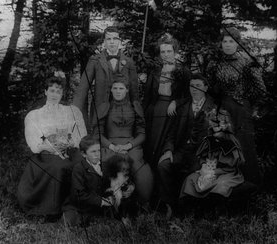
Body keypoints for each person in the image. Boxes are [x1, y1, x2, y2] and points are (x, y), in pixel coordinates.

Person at [17, 76, 87, 218]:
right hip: (46, 154)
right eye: (52, 90)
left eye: (58, 91)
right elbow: (34, 141)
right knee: (58, 167)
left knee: (82, 163)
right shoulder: (35, 115)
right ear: (45, 92)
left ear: (62, 94)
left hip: (68, 150)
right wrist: (51, 148)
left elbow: (80, 135)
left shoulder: (71, 111)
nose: (55, 94)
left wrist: (69, 144)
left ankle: (77, 204)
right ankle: (51, 209)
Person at [207, 27, 266, 185]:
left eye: (231, 41)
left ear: (237, 43)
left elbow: (260, 88)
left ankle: (250, 185)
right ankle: (226, 188)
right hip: (222, 108)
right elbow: (211, 86)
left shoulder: (246, 62)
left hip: (241, 108)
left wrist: (251, 105)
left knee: (243, 145)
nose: (227, 44)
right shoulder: (216, 62)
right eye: (224, 41)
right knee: (224, 146)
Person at [157, 73, 218, 217]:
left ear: (206, 87)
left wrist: (208, 161)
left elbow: (217, 138)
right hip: (182, 150)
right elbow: (171, 133)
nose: (194, 89)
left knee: (194, 173)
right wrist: (168, 150)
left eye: (198, 86)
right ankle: (170, 205)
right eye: (192, 86)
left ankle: (189, 211)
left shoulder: (213, 107)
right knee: (163, 165)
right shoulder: (183, 105)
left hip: (201, 153)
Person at [96, 75, 154, 210]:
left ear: (127, 90)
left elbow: (142, 134)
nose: (117, 91)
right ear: (110, 90)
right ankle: (108, 204)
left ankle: (142, 205)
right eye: (114, 88)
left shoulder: (135, 107)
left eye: (121, 88)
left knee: (142, 170)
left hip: (131, 145)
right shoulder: (105, 107)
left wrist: (129, 146)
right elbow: (98, 133)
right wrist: (112, 147)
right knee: (108, 165)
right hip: (110, 145)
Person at [73, 26, 139, 131]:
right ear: (104, 42)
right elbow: (83, 88)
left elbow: (134, 92)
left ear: (120, 41)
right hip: (100, 111)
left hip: (121, 113)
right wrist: (75, 111)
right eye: (109, 39)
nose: (112, 42)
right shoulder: (95, 60)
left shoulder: (129, 62)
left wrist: (136, 113)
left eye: (115, 39)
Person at [142, 33, 191, 167]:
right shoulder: (155, 71)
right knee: (150, 144)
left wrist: (175, 102)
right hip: (155, 110)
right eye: (163, 51)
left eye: (169, 51)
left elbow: (188, 95)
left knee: (164, 144)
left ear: (175, 52)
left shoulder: (183, 71)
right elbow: (147, 96)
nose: (166, 54)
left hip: (172, 112)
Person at [62, 136, 134, 226]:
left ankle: (109, 217)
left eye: (99, 150)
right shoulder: (79, 169)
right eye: (93, 151)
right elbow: (78, 194)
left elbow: (116, 180)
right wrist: (102, 201)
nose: (97, 154)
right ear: (84, 154)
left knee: (109, 217)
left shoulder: (105, 165)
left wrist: (128, 187)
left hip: (99, 204)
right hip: (81, 205)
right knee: (74, 220)